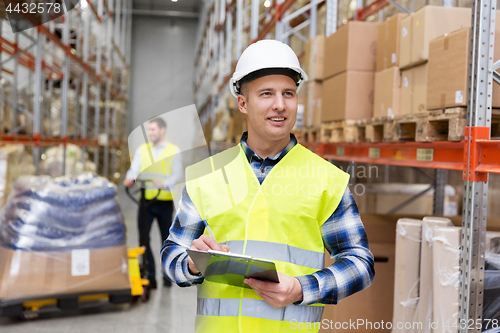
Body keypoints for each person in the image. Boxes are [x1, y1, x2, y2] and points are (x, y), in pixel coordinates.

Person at [161, 40, 374, 332]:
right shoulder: (206, 175)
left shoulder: (326, 179)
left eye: (289, 93)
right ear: (243, 103)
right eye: (266, 94)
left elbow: (360, 263)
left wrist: (302, 288)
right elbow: (172, 255)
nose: (280, 104)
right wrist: (192, 263)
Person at [124, 117, 182, 289]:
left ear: (162, 130)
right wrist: (129, 178)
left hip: (164, 202)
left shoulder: (174, 150)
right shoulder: (143, 150)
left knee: (166, 239)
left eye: (153, 130)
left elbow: (177, 174)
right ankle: (150, 276)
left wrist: (165, 184)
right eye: (149, 130)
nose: (150, 133)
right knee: (144, 239)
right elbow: (135, 167)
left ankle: (167, 275)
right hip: (145, 202)